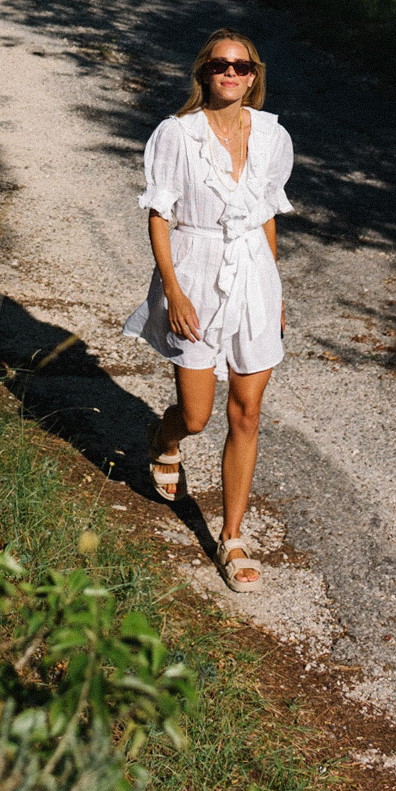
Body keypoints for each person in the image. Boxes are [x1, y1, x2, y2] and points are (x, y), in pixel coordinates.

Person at [123, 30, 292, 591]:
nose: (231, 73)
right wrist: (173, 289)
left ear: (254, 76)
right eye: (221, 64)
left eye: (242, 66)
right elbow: (159, 214)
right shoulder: (177, 135)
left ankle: (232, 537)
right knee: (196, 414)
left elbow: (266, 213)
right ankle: (165, 439)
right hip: (195, 273)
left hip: (254, 281)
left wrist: (275, 290)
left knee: (246, 412)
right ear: (204, 73)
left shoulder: (271, 136)